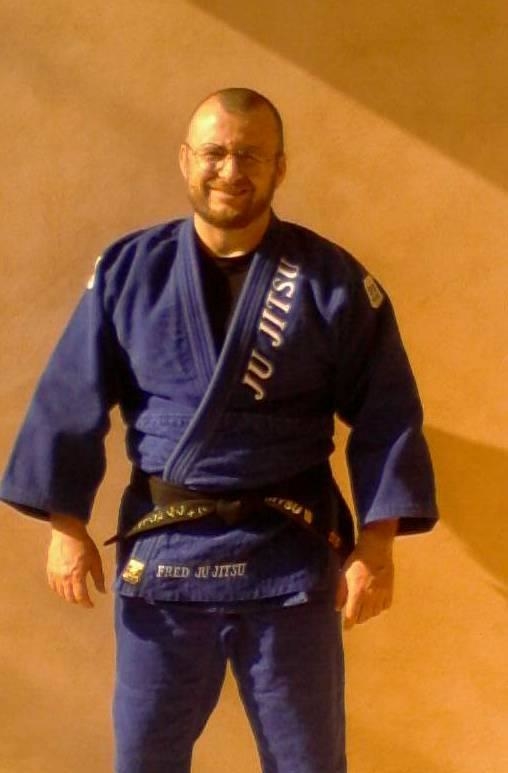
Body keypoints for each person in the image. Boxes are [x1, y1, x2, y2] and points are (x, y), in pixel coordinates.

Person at [0, 87, 438, 773]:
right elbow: (69, 397)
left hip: (290, 556)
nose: (231, 170)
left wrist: (377, 547)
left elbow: (389, 413)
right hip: (165, 556)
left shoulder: (330, 280)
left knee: (308, 762)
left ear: (279, 167)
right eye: (215, 153)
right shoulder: (130, 270)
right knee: (144, 758)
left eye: (251, 156)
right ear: (186, 160)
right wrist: (65, 526)